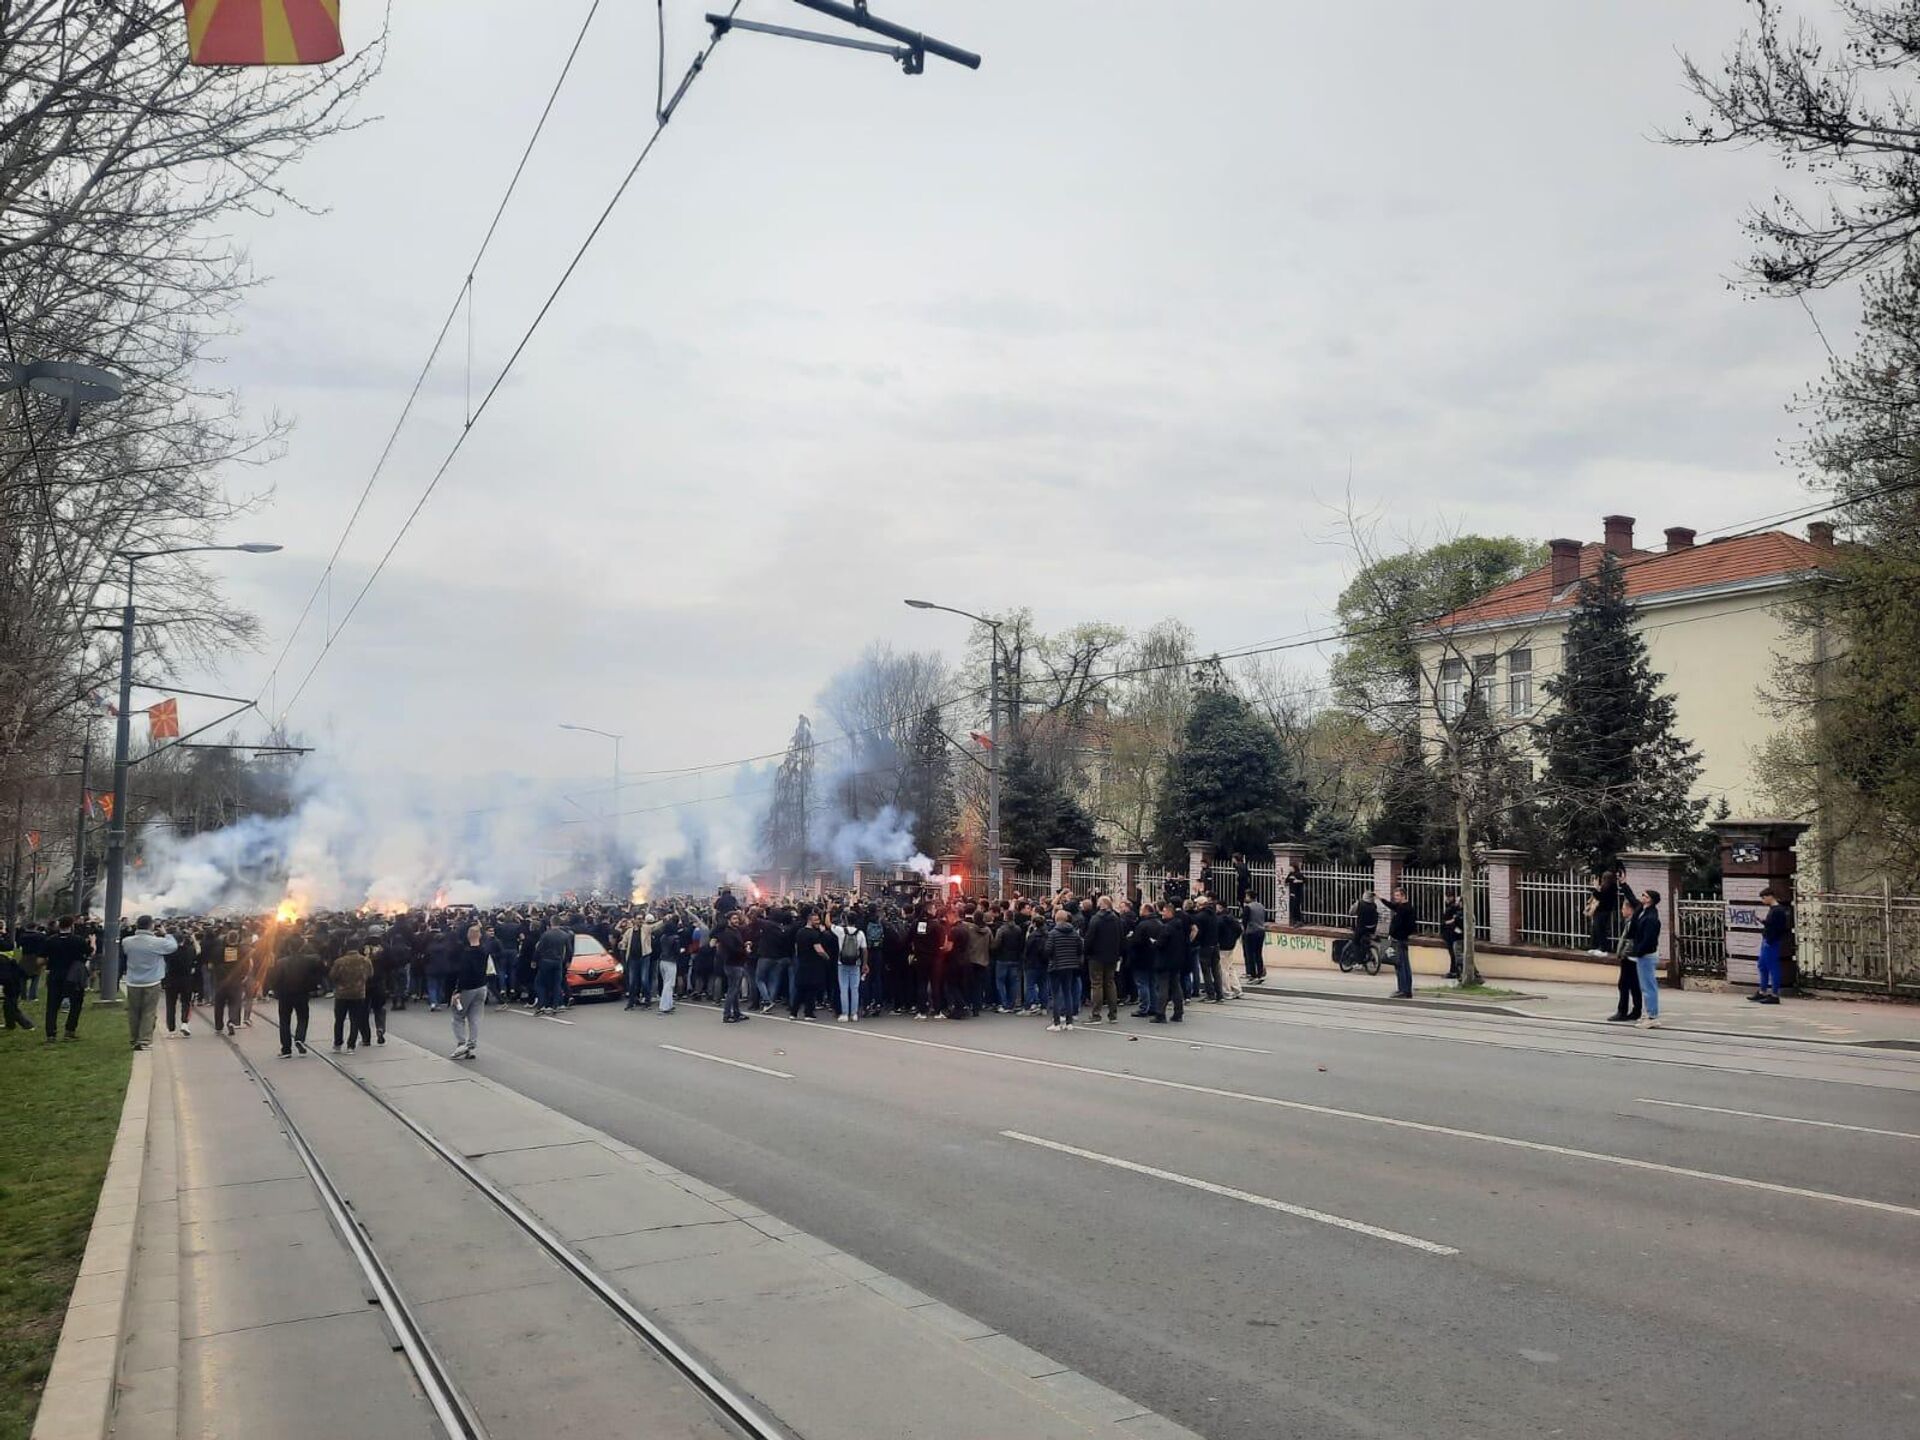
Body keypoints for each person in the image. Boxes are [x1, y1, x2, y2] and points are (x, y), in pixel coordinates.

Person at [120, 915, 177, 1051]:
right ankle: (144, 1040)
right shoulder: (157, 942)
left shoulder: (127, 941)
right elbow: (173, 946)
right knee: (149, 1012)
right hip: (152, 981)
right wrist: (166, 934)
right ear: (151, 926)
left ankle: (134, 1039)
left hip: (133, 981)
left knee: (134, 1012)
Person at [270, 936, 322, 1057]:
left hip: (285, 995)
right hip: (302, 993)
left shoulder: (281, 962)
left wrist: (274, 990)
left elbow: (275, 979)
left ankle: (286, 1049)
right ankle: (300, 1038)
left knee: (284, 1021)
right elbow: (318, 970)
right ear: (302, 946)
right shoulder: (309, 960)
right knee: (303, 1018)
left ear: (288, 947)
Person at [43, 916, 90, 1043]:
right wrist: (93, 942)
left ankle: (51, 1034)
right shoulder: (78, 940)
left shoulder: (51, 940)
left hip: (55, 975)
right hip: (73, 977)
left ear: (59, 926)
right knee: (76, 1004)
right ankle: (70, 1031)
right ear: (72, 926)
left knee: (52, 1005)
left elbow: (41, 959)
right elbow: (89, 953)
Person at [449, 923, 490, 1058]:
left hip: (468, 988)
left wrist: (457, 991)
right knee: (475, 1017)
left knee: (458, 1015)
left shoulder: (466, 954)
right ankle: (471, 1044)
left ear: (468, 936)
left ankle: (462, 1043)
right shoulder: (484, 951)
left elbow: (464, 973)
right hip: (482, 986)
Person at [1083, 895, 1123, 1024]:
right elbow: (1121, 937)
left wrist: (1086, 952)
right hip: (1112, 955)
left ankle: (1096, 1014)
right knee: (1110, 983)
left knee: (1097, 984)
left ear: (1101, 905)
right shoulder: (1116, 919)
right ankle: (1113, 1014)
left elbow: (1089, 938)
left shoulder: (1096, 919)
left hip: (1096, 956)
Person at [330, 937, 374, 1052]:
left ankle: (338, 1043)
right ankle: (351, 1045)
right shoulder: (365, 961)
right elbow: (370, 975)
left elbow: (332, 976)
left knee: (339, 1020)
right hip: (358, 993)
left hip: (342, 994)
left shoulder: (339, 961)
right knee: (355, 1019)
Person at [1628, 890, 1664, 1028]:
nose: (1642, 897)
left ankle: (1652, 1016)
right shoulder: (1643, 911)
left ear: (1650, 900)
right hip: (1644, 954)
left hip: (1646, 955)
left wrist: (1638, 952)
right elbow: (1632, 899)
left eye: (1645, 896)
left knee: (1649, 986)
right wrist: (1624, 884)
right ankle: (1648, 1013)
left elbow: (1649, 939)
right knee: (1646, 986)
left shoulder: (1651, 917)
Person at [1044, 908, 1083, 1032]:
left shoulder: (1053, 933)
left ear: (1056, 919)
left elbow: (1048, 950)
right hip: (1070, 966)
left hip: (1056, 966)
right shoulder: (1074, 933)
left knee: (1056, 995)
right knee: (1068, 993)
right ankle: (1069, 1022)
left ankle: (1056, 1023)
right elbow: (1080, 949)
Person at [1607, 894, 1643, 1023]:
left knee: (1624, 984)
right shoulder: (1631, 922)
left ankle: (1622, 1011)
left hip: (1629, 958)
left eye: (1623, 908)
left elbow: (1630, 942)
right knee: (1633, 985)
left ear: (1630, 909)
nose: (1622, 910)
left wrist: (1623, 953)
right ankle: (1636, 1010)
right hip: (1631, 957)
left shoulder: (1632, 923)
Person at [1151, 900, 1187, 1023]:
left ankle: (1160, 1013)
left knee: (1163, 988)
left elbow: (1160, 944)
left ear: (1170, 913)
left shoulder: (1167, 927)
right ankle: (1178, 1012)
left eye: (1165, 912)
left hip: (1165, 961)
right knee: (1176, 987)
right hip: (1176, 960)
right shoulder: (1179, 926)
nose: (1162, 914)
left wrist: (1154, 942)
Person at [1754, 887, 1790, 1004]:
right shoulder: (1773, 909)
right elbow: (1772, 925)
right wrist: (1763, 921)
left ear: (1770, 896)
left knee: (1773, 967)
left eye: (1764, 898)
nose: (1763, 900)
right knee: (1762, 965)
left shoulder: (1778, 910)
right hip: (1768, 940)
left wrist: (1770, 940)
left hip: (1771, 941)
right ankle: (1762, 991)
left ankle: (1775, 994)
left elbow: (1779, 928)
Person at [532, 916, 572, 1016]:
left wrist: (534, 960)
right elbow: (569, 950)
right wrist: (567, 961)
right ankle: (555, 1006)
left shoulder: (546, 935)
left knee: (540, 983)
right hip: (558, 961)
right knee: (557, 983)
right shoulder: (565, 935)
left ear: (551, 922)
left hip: (546, 961)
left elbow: (539, 949)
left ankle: (541, 1005)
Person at [717, 910, 751, 1023]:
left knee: (735, 990)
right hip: (732, 964)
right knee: (732, 990)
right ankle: (727, 1014)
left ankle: (736, 1012)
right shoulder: (727, 933)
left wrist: (744, 945)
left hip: (737, 963)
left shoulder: (735, 931)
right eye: (734, 919)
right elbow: (732, 949)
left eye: (737, 919)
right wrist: (744, 950)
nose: (736, 921)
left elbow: (736, 946)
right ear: (728, 920)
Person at [1383, 887, 1416, 999]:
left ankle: (1403, 990)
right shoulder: (1402, 907)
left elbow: (1410, 926)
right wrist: (1380, 898)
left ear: (1403, 896)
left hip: (1400, 940)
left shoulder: (1405, 909)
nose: (1395, 898)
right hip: (1400, 939)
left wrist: (1399, 934)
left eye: (1397, 896)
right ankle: (1406, 990)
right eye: (1395, 895)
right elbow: (1392, 906)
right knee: (1404, 965)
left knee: (1400, 965)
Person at [833, 911, 866, 1022]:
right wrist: (865, 964)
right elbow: (864, 950)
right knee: (855, 988)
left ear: (845, 920)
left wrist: (828, 910)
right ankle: (854, 1013)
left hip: (842, 963)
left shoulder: (840, 931)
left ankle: (844, 1013)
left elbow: (828, 924)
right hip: (856, 963)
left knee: (843, 988)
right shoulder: (860, 933)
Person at [1346, 890, 1379, 972]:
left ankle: (1359, 962)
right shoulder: (1374, 905)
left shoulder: (1359, 904)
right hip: (1372, 928)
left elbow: (1351, 913)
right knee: (1366, 942)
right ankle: (1368, 953)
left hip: (1362, 928)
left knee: (1356, 942)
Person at [1241, 895, 1268, 983]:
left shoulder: (1248, 907)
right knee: (1258, 954)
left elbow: (1245, 920)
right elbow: (1265, 918)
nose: (1245, 898)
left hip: (1251, 932)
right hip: (1261, 931)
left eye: (1246, 896)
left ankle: (1252, 975)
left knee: (1250, 954)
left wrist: (1244, 930)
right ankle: (1260, 974)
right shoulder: (1261, 906)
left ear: (1249, 897)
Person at [1439, 893, 1464, 980]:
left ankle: (1455, 972)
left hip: (1452, 935)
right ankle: (1455, 971)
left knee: (1455, 954)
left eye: (1448, 896)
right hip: (1451, 934)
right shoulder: (1452, 908)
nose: (1446, 898)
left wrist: (1447, 922)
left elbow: (1451, 922)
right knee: (1455, 954)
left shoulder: (1453, 908)